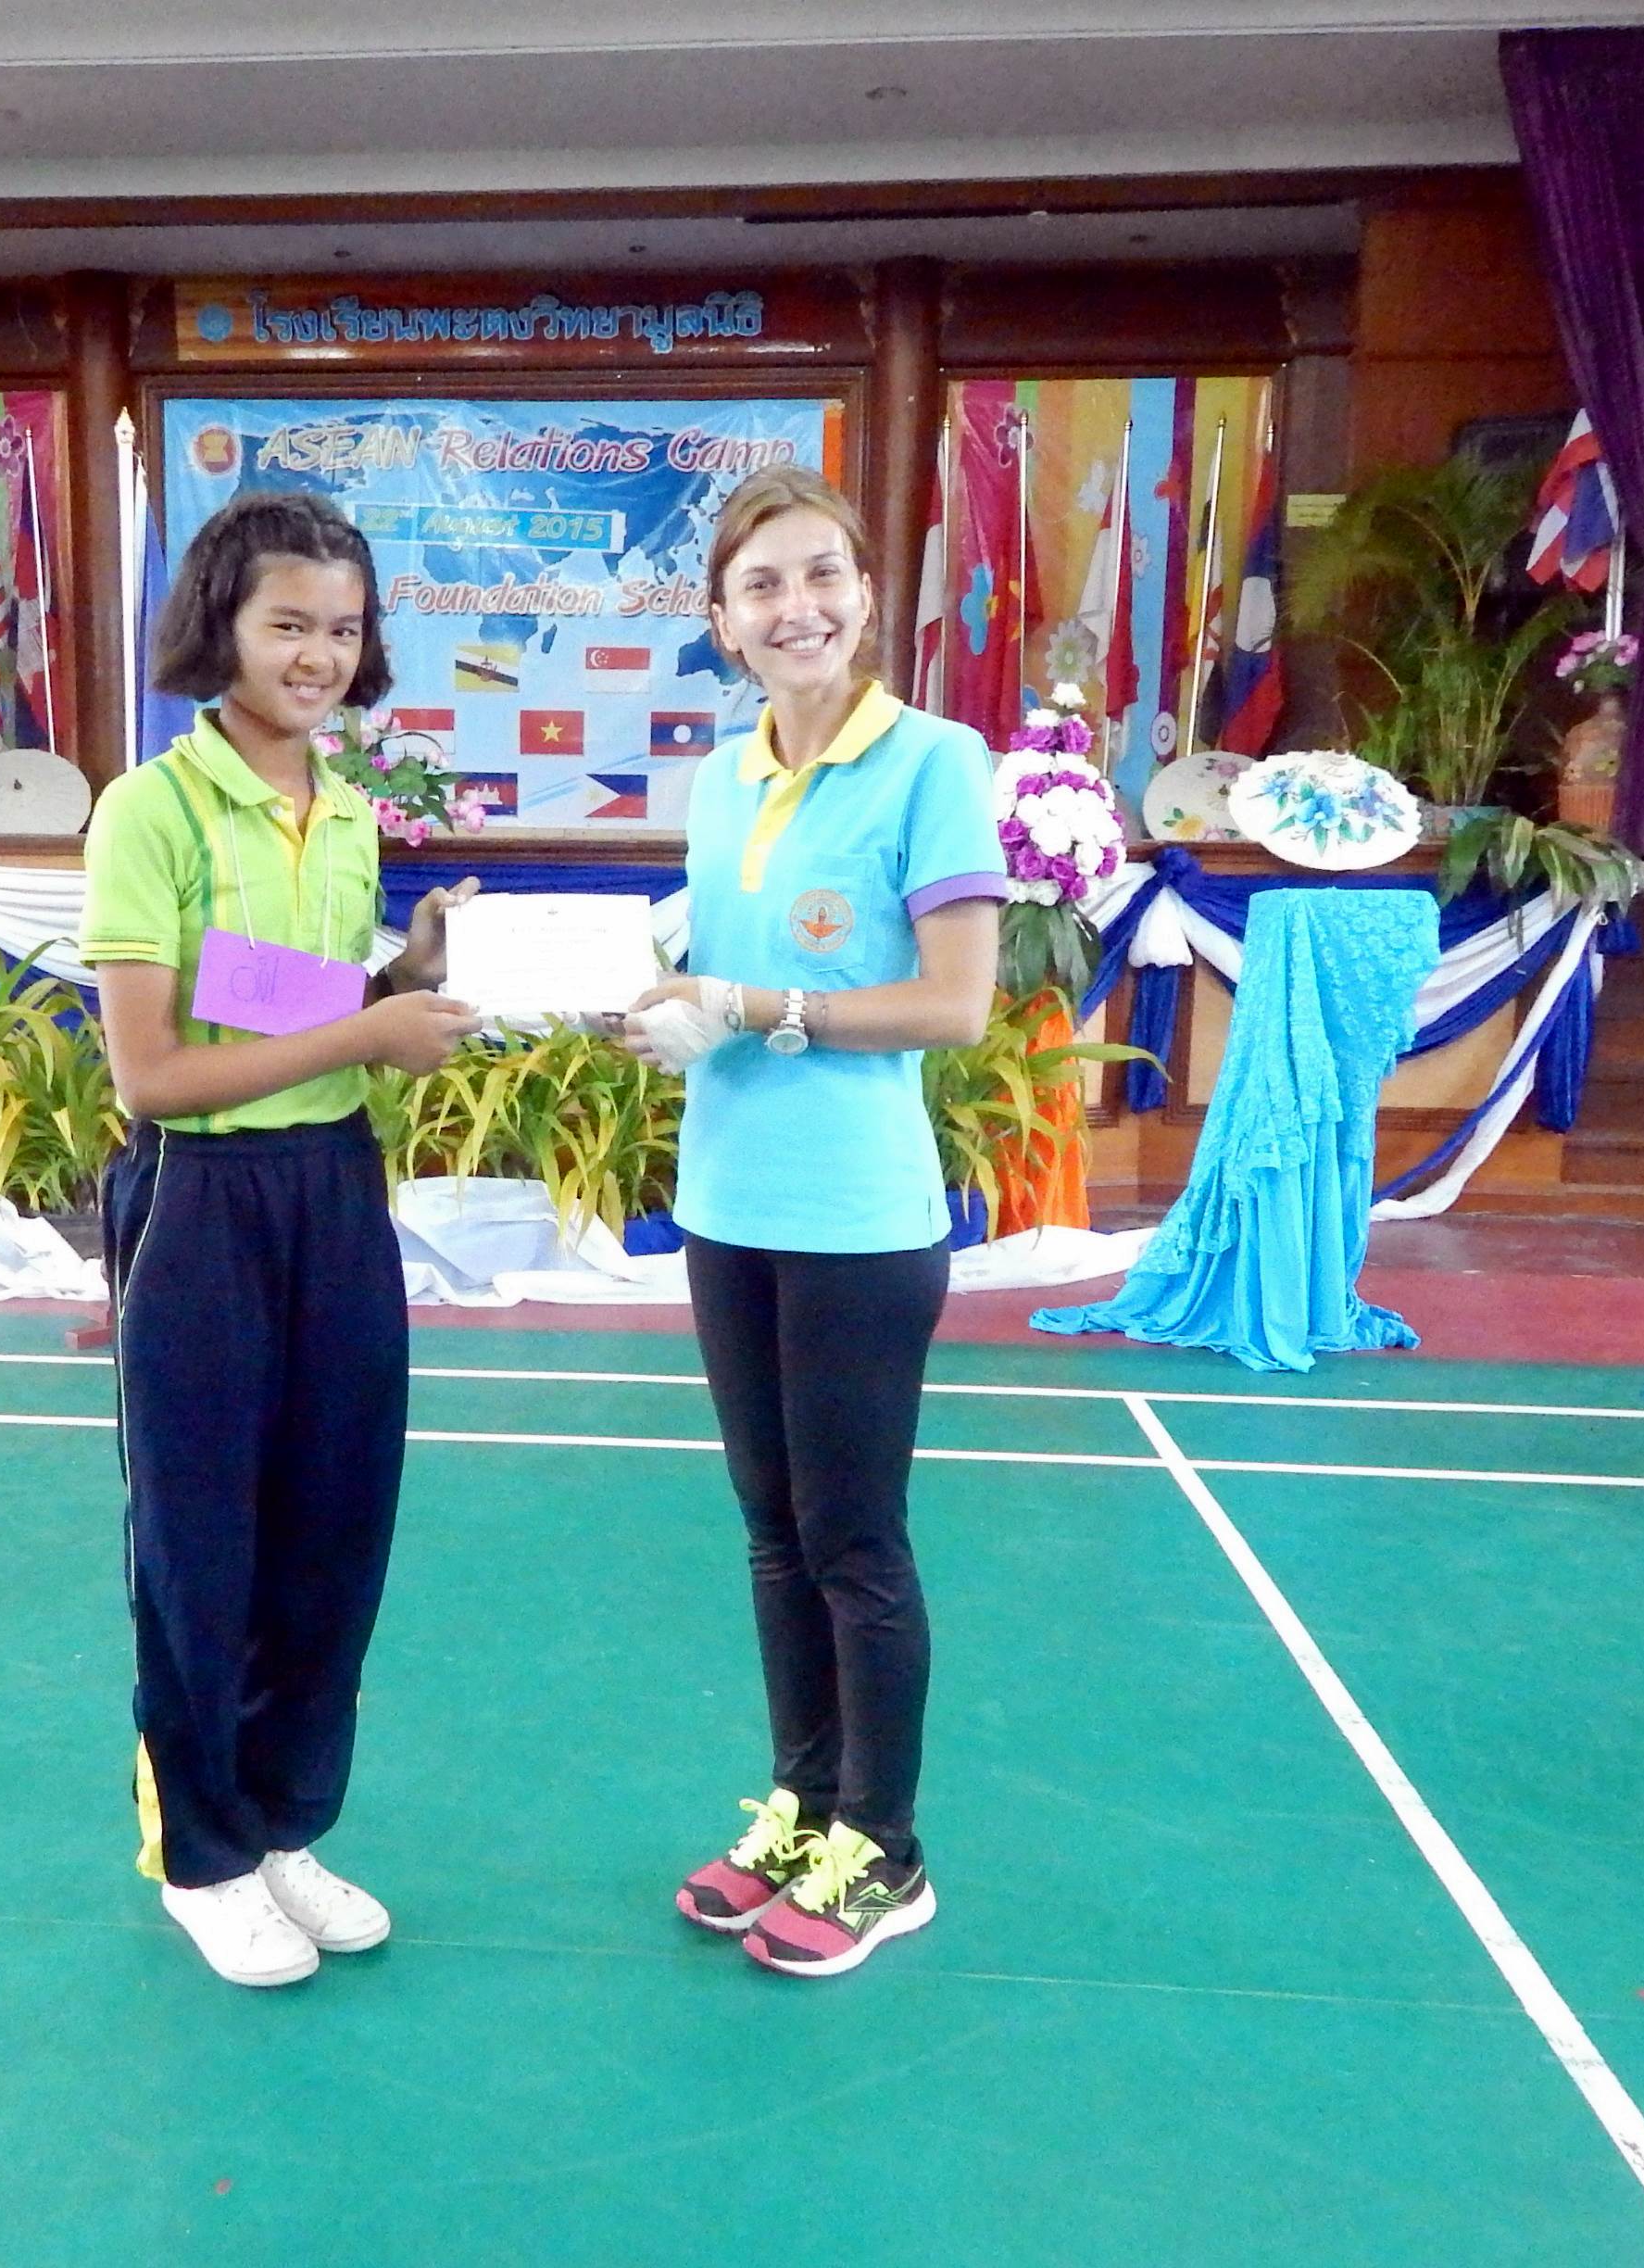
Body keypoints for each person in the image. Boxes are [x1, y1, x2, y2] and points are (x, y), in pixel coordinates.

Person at [81, 488, 482, 1988]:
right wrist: (371, 1031)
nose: (319, 655)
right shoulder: (152, 810)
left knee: (333, 1531)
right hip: (199, 1204)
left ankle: (285, 1828)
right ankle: (205, 1857)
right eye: (288, 624)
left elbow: (274, 1003)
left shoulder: (348, 808)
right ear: (222, 628)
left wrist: (400, 977)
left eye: (344, 628)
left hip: (335, 1194)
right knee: (203, 1548)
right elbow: (156, 1071)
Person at [621, 465, 1007, 1979]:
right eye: (763, 585)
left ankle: (885, 1851)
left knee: (854, 1541)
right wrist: (661, 1009)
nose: (799, 608)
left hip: (857, 1213)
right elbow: (716, 974)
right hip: (729, 1202)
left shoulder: (935, 762)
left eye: (822, 574)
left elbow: (954, 1004)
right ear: (721, 620)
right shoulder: (721, 781)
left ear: (866, 593)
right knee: (773, 1536)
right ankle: (803, 1810)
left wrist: (757, 1007)